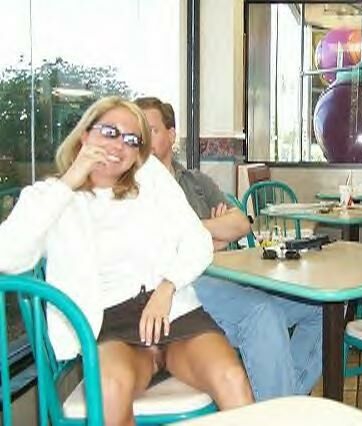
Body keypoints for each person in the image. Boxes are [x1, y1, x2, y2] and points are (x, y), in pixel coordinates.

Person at [0, 97, 254, 425]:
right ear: (84, 134)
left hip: (174, 312)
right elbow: (7, 255)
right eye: (109, 132)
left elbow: (198, 240)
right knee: (109, 390)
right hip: (110, 326)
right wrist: (72, 179)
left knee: (232, 378)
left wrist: (167, 288)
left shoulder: (151, 178)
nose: (120, 144)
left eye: (132, 139)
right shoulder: (55, 198)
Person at [134, 97, 323, 402]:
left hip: (224, 276)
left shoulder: (195, 181)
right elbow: (158, 247)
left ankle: (279, 403)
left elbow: (240, 224)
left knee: (320, 307)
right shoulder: (136, 185)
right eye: (137, 133)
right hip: (184, 287)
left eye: (151, 130)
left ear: (171, 134)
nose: (143, 141)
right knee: (263, 314)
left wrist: (196, 234)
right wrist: (210, 234)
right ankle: (280, 409)